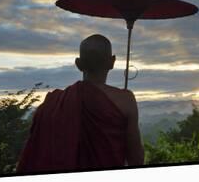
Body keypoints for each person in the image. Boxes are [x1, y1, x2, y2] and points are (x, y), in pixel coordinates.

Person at [16, 34, 144, 173]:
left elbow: (36, 152)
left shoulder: (52, 104)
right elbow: (136, 160)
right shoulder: (125, 100)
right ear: (112, 62)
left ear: (78, 64)